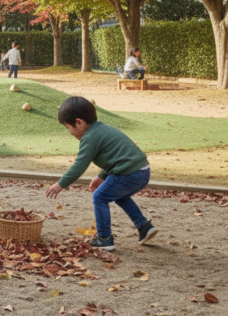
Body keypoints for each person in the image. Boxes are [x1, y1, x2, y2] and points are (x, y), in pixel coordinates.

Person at [45, 96, 158, 251]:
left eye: (68, 128)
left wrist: (60, 184)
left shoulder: (90, 137)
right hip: (142, 171)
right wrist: (101, 176)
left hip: (129, 173)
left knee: (99, 197)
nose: (69, 132)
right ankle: (144, 226)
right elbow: (114, 158)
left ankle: (105, 238)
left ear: (79, 122)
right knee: (119, 196)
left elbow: (80, 164)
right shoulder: (101, 129)